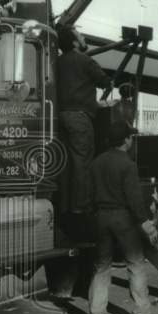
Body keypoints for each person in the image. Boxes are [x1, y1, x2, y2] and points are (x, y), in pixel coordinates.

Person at [88, 120, 158, 314]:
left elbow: (89, 194)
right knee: (135, 265)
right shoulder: (128, 165)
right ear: (127, 140)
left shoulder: (96, 162)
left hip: (101, 217)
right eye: (130, 137)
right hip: (123, 218)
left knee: (101, 267)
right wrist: (146, 223)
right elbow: (134, 199)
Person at [56, 25, 112, 214]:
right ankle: (81, 209)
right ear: (74, 42)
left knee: (66, 163)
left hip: (59, 117)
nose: (83, 37)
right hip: (80, 118)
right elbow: (106, 81)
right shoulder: (85, 61)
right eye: (80, 36)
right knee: (83, 163)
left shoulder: (56, 62)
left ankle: (65, 208)